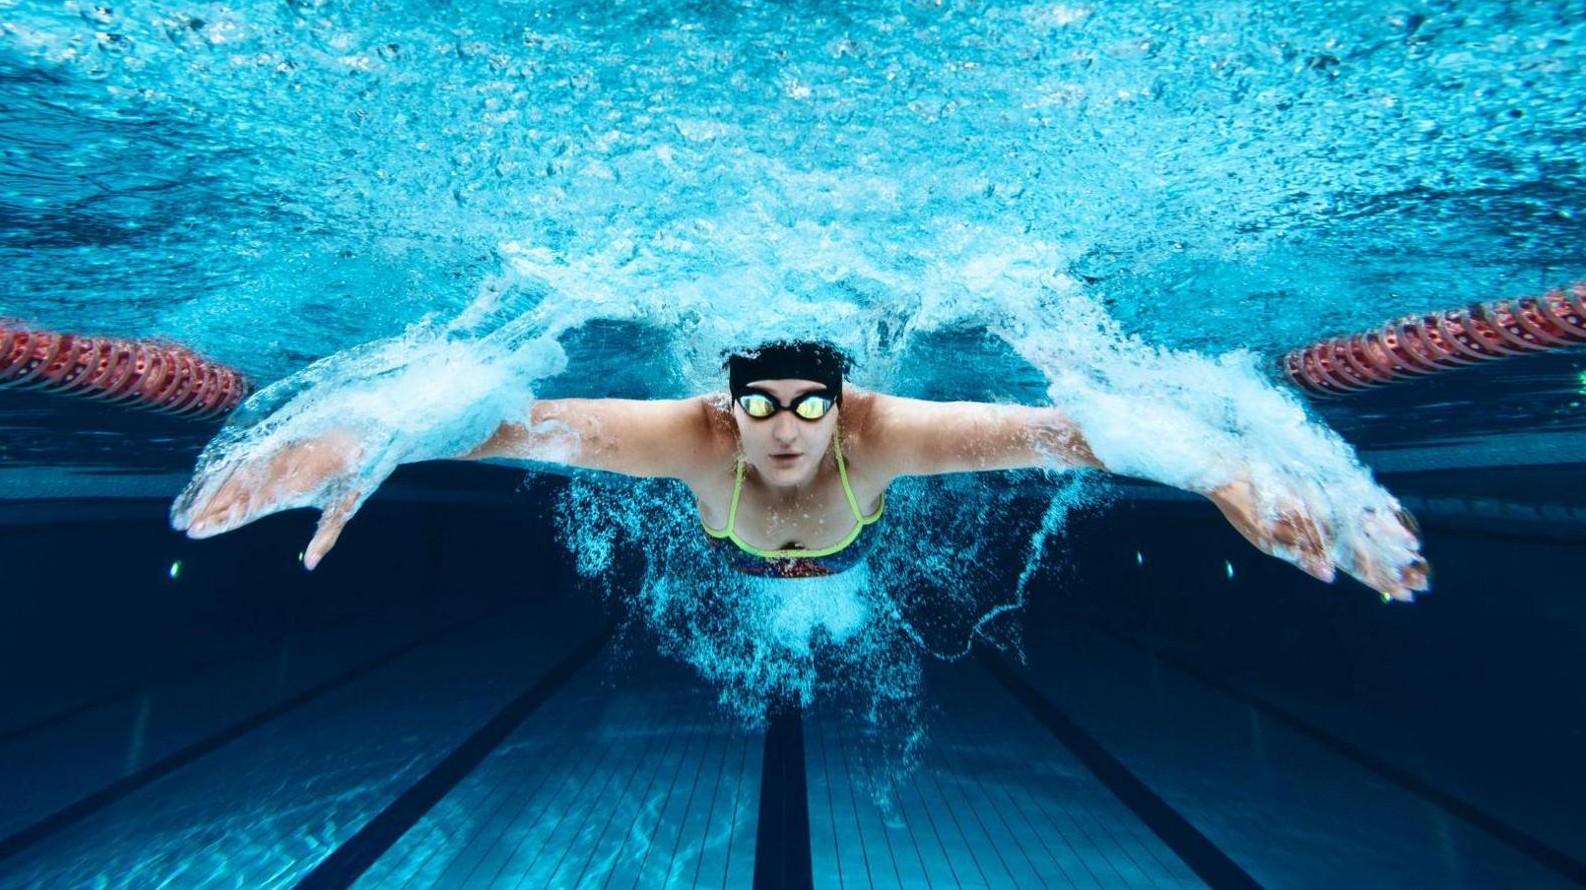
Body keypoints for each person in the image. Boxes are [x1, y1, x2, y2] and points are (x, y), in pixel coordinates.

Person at [176, 341, 1429, 599]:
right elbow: (497, 421)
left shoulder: (889, 436)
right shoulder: (690, 439)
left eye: (807, 406)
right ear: (729, 406)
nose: (783, 427)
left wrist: (1223, 479)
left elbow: (1087, 431)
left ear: (844, 404)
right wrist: (345, 447)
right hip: (725, 538)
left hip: (852, 540)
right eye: (760, 404)